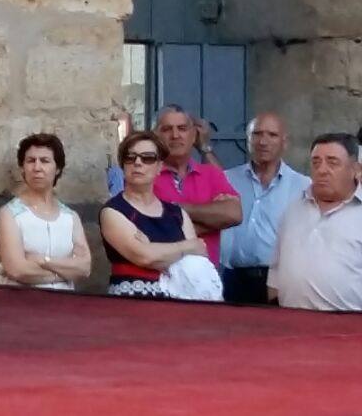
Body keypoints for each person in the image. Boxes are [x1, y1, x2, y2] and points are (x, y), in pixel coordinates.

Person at [100, 131, 207, 298]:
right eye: (130, 157)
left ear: (159, 167)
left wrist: (153, 249)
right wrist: (186, 247)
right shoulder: (113, 211)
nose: (137, 163)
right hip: (130, 300)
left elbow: (197, 259)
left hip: (179, 302)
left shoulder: (177, 214)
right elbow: (144, 256)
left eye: (147, 158)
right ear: (123, 165)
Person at [220, 113, 310, 305]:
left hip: (277, 282)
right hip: (231, 279)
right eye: (257, 134)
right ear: (248, 140)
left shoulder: (303, 186)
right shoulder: (227, 179)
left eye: (272, 135)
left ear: (285, 142)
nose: (263, 141)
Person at [268, 134, 362, 312]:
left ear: (355, 169)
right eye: (316, 162)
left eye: (332, 162)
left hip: (348, 329)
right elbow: (276, 268)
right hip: (291, 323)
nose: (322, 170)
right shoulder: (293, 211)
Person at [0, 134, 90, 291]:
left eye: (45, 161)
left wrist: (44, 261)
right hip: (21, 305)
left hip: (63, 305)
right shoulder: (10, 214)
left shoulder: (70, 217)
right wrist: (66, 272)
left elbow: (85, 267)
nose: (37, 168)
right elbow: (18, 270)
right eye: (31, 161)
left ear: (57, 168)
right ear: (22, 168)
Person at [153, 105, 241, 265]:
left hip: (204, 281)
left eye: (182, 128)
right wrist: (214, 222)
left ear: (194, 136)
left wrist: (175, 208)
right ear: (155, 137)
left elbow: (234, 214)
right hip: (159, 279)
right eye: (167, 129)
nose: (175, 135)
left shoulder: (211, 173)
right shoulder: (146, 175)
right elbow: (149, 231)